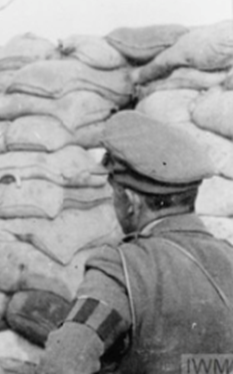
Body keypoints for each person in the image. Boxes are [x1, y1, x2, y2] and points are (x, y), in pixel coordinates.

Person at [37, 110, 233, 374]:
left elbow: (64, 363)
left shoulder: (123, 266)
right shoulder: (228, 255)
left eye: (114, 193)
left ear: (131, 202)